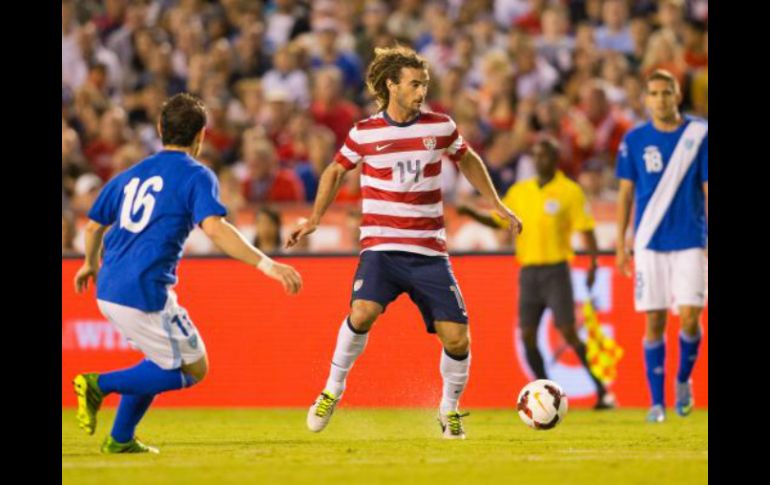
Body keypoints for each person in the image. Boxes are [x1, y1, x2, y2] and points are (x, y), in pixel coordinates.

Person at [286, 46, 522, 439]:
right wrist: (314, 219)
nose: (421, 91)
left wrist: (495, 203)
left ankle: (449, 411)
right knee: (361, 312)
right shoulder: (364, 132)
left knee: (458, 337)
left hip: (429, 252)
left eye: (425, 84)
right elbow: (334, 170)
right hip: (381, 247)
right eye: (415, 84)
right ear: (391, 85)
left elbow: (467, 159)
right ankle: (332, 390)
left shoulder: (440, 127)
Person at [72, 94, 303, 453]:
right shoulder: (196, 175)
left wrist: (88, 263)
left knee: (158, 361)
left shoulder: (131, 174)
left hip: (109, 288)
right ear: (201, 136)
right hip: (144, 291)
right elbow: (214, 228)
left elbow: (92, 227)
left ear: (161, 129)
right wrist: (268, 265)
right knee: (193, 368)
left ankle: (120, 438)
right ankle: (98, 384)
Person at [458, 137, 616, 410]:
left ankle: (602, 390)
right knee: (528, 335)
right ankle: (546, 390)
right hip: (529, 272)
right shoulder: (521, 191)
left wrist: (592, 263)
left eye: (545, 156)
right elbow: (500, 221)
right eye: (536, 156)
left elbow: (586, 229)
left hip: (556, 270)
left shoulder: (569, 191)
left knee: (568, 332)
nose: (539, 161)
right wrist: (472, 213)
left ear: (555, 159)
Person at [615, 70, 708, 423]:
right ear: (646, 99)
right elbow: (625, 193)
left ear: (678, 94)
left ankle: (683, 380)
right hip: (649, 241)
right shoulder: (635, 140)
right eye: (653, 93)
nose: (660, 99)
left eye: (666, 92)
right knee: (653, 321)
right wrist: (622, 243)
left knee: (689, 318)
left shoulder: (699, 135)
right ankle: (657, 403)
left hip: (689, 238)